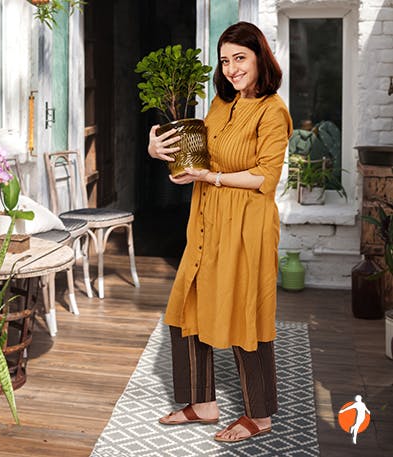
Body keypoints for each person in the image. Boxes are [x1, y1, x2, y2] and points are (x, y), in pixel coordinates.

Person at [147, 21, 292, 443]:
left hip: (247, 223)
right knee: (186, 303)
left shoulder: (272, 110)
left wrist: (210, 177)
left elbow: (267, 176)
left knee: (246, 312)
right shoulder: (219, 104)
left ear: (260, 57)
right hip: (208, 218)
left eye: (240, 58)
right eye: (225, 60)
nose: (231, 68)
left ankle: (260, 415)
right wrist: (158, 148)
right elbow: (199, 151)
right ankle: (203, 403)